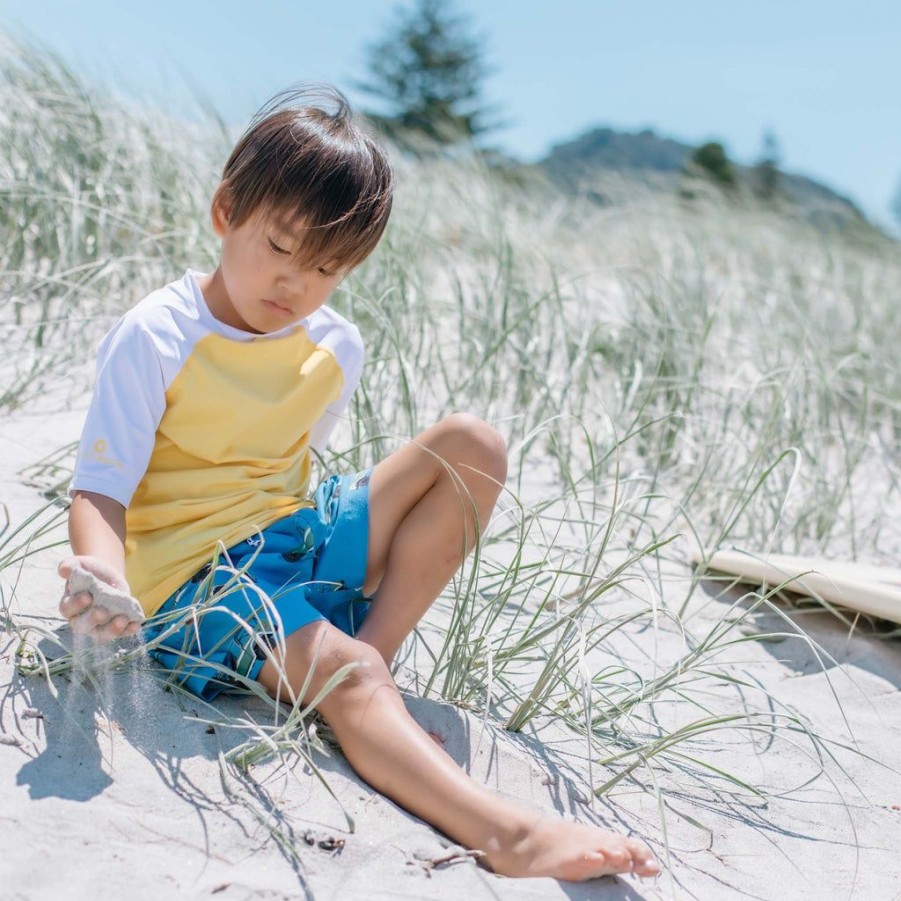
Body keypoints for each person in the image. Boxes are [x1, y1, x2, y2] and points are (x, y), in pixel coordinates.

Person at [57, 86, 660, 883]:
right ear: (225, 211)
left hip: (286, 534)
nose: (295, 283)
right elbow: (100, 487)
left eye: (327, 267)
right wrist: (101, 572)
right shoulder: (158, 333)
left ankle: (366, 669)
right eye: (279, 245)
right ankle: (507, 831)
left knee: (470, 444)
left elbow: (283, 468)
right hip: (193, 585)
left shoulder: (336, 344)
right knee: (349, 673)